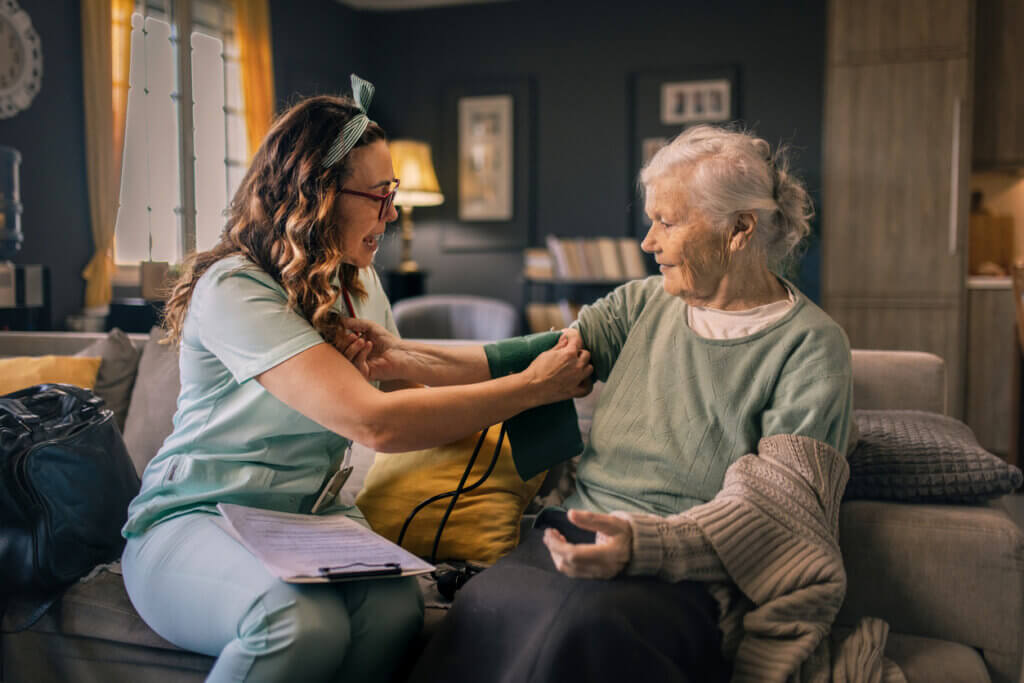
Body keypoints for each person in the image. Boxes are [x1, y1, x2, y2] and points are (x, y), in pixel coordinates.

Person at [120, 75, 593, 683]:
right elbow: (375, 421)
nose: (392, 213)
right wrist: (531, 388)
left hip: (312, 523)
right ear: (316, 196)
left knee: (396, 611)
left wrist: (534, 365)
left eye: (392, 193)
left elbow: (401, 383)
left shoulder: (360, 287)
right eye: (379, 195)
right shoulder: (236, 288)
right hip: (199, 518)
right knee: (294, 622)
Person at [400, 124, 854, 682]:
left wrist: (640, 544)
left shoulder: (810, 345)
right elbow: (530, 360)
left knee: (578, 632)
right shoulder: (641, 304)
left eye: (667, 222)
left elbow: (776, 514)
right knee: (481, 606)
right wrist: (399, 359)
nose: (648, 241)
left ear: (739, 229)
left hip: (688, 574)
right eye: (651, 220)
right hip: (570, 535)